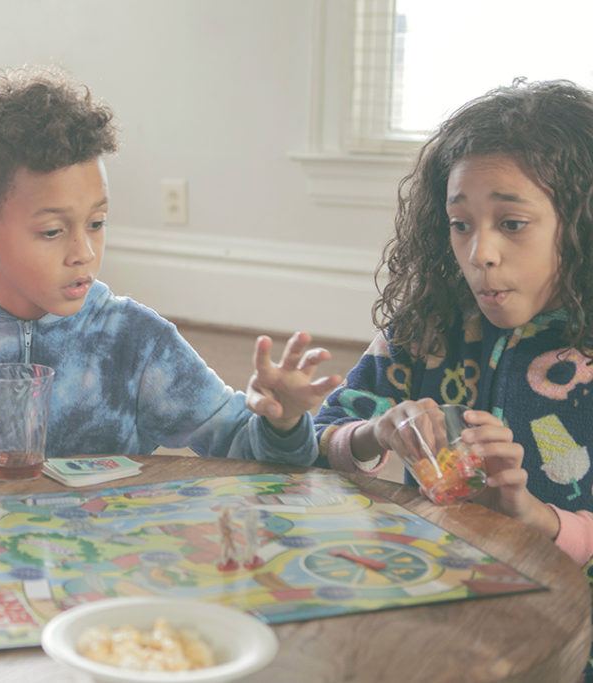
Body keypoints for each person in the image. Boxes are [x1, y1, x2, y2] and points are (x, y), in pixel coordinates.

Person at [250, 80, 593, 677]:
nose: (480, 252)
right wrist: (373, 433)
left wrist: (540, 521)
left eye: (512, 224)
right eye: (461, 224)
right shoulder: (424, 330)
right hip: (429, 607)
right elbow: (323, 436)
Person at [0, 65, 341, 466]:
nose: (82, 251)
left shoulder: (135, 340)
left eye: (97, 223)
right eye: (52, 231)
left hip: (106, 581)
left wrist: (282, 422)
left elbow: (245, 446)